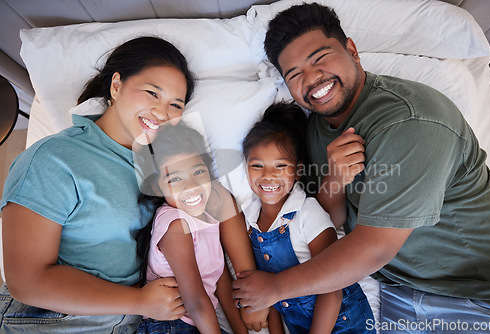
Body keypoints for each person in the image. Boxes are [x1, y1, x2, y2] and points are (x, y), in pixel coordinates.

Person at [233, 3, 490, 332]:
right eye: (294, 74)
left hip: (476, 294)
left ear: (352, 50)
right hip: (394, 293)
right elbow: (330, 222)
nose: (312, 78)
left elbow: (373, 249)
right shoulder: (318, 126)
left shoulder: (410, 121)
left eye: (320, 58)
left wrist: (275, 289)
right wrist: (333, 181)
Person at [0, 36, 260, 333]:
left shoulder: (164, 157)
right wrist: (138, 302)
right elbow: (27, 282)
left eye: (176, 105)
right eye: (152, 93)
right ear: (116, 85)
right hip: (50, 320)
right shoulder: (54, 159)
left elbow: (221, 203)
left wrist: (251, 288)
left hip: (134, 322)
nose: (162, 113)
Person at [241, 102, 374, 334]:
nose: (268, 176)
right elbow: (268, 292)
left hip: (344, 321)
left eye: (280, 165)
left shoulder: (307, 212)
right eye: (257, 165)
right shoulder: (250, 220)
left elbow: (332, 284)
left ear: (298, 170)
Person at [135, 122, 248, 334]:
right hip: (170, 325)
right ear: (156, 187)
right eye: (175, 179)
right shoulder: (175, 225)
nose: (191, 186)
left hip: (198, 321)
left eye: (198, 172)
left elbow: (219, 275)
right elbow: (195, 301)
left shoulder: (206, 217)